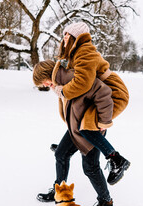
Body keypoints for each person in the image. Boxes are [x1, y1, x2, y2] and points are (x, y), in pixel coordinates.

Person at [33, 60, 128, 206]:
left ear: (47, 73)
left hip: (90, 127)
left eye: (43, 82)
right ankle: (59, 192)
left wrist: (103, 121)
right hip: (76, 127)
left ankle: (106, 204)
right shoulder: (60, 83)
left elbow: (103, 93)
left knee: (90, 167)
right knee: (61, 154)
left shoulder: (71, 77)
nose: (44, 85)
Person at [54, 21, 130, 184]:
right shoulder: (75, 54)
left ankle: (117, 160)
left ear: (77, 37)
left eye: (68, 35)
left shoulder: (85, 50)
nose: (65, 37)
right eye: (64, 34)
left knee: (86, 127)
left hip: (114, 93)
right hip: (101, 94)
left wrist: (62, 91)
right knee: (83, 126)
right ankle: (68, 148)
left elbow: (82, 83)